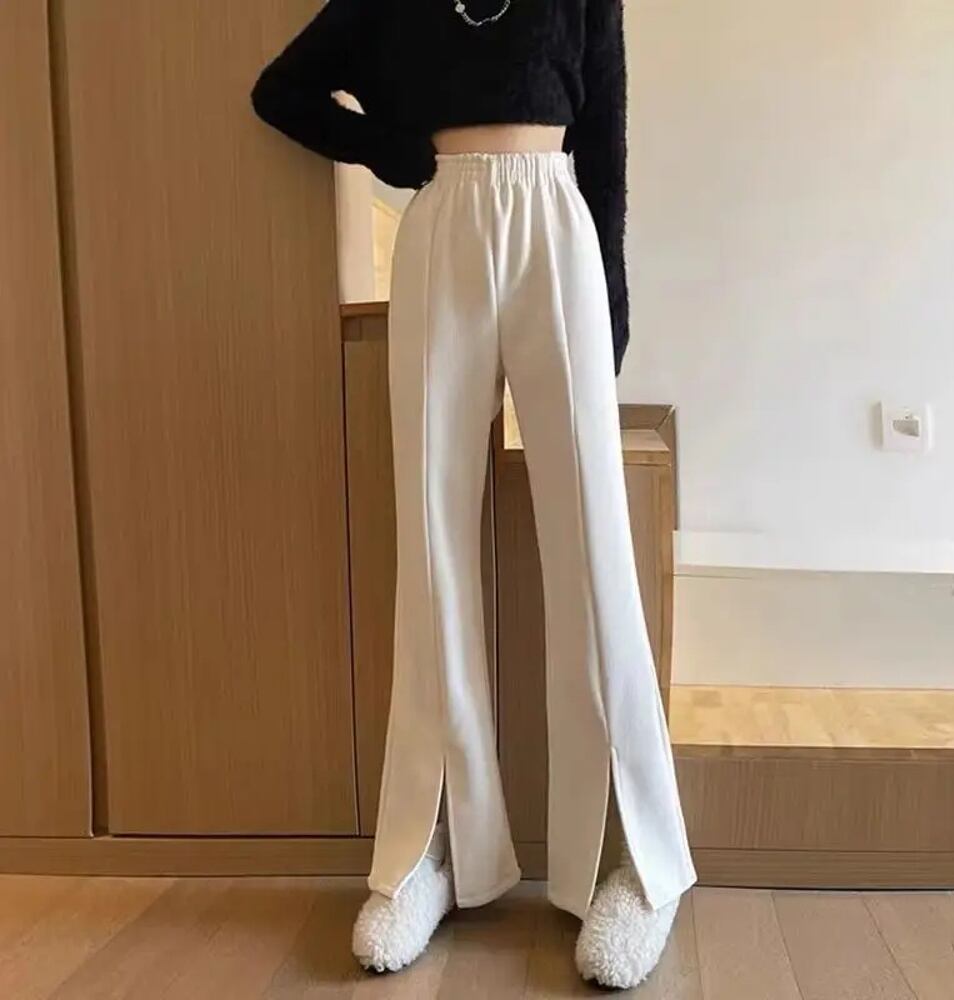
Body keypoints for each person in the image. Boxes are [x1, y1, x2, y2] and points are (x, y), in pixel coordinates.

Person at [250, 0, 696, 988]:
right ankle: (429, 850)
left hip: (556, 225)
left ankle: (640, 861)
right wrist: (391, 149)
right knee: (433, 547)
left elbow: (605, 131)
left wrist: (611, 292)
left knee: (594, 550)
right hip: (441, 226)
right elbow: (281, 91)